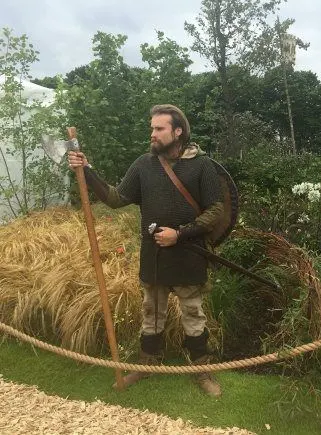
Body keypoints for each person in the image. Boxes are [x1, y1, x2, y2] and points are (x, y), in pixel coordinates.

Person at [68, 104, 224, 397]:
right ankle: (147, 363)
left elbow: (216, 209)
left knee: (193, 313)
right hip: (154, 255)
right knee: (151, 312)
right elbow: (116, 198)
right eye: (152, 128)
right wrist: (87, 171)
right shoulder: (144, 165)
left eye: (159, 128)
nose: (152, 134)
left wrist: (180, 234)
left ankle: (202, 369)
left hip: (189, 252)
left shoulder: (202, 165)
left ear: (178, 132)